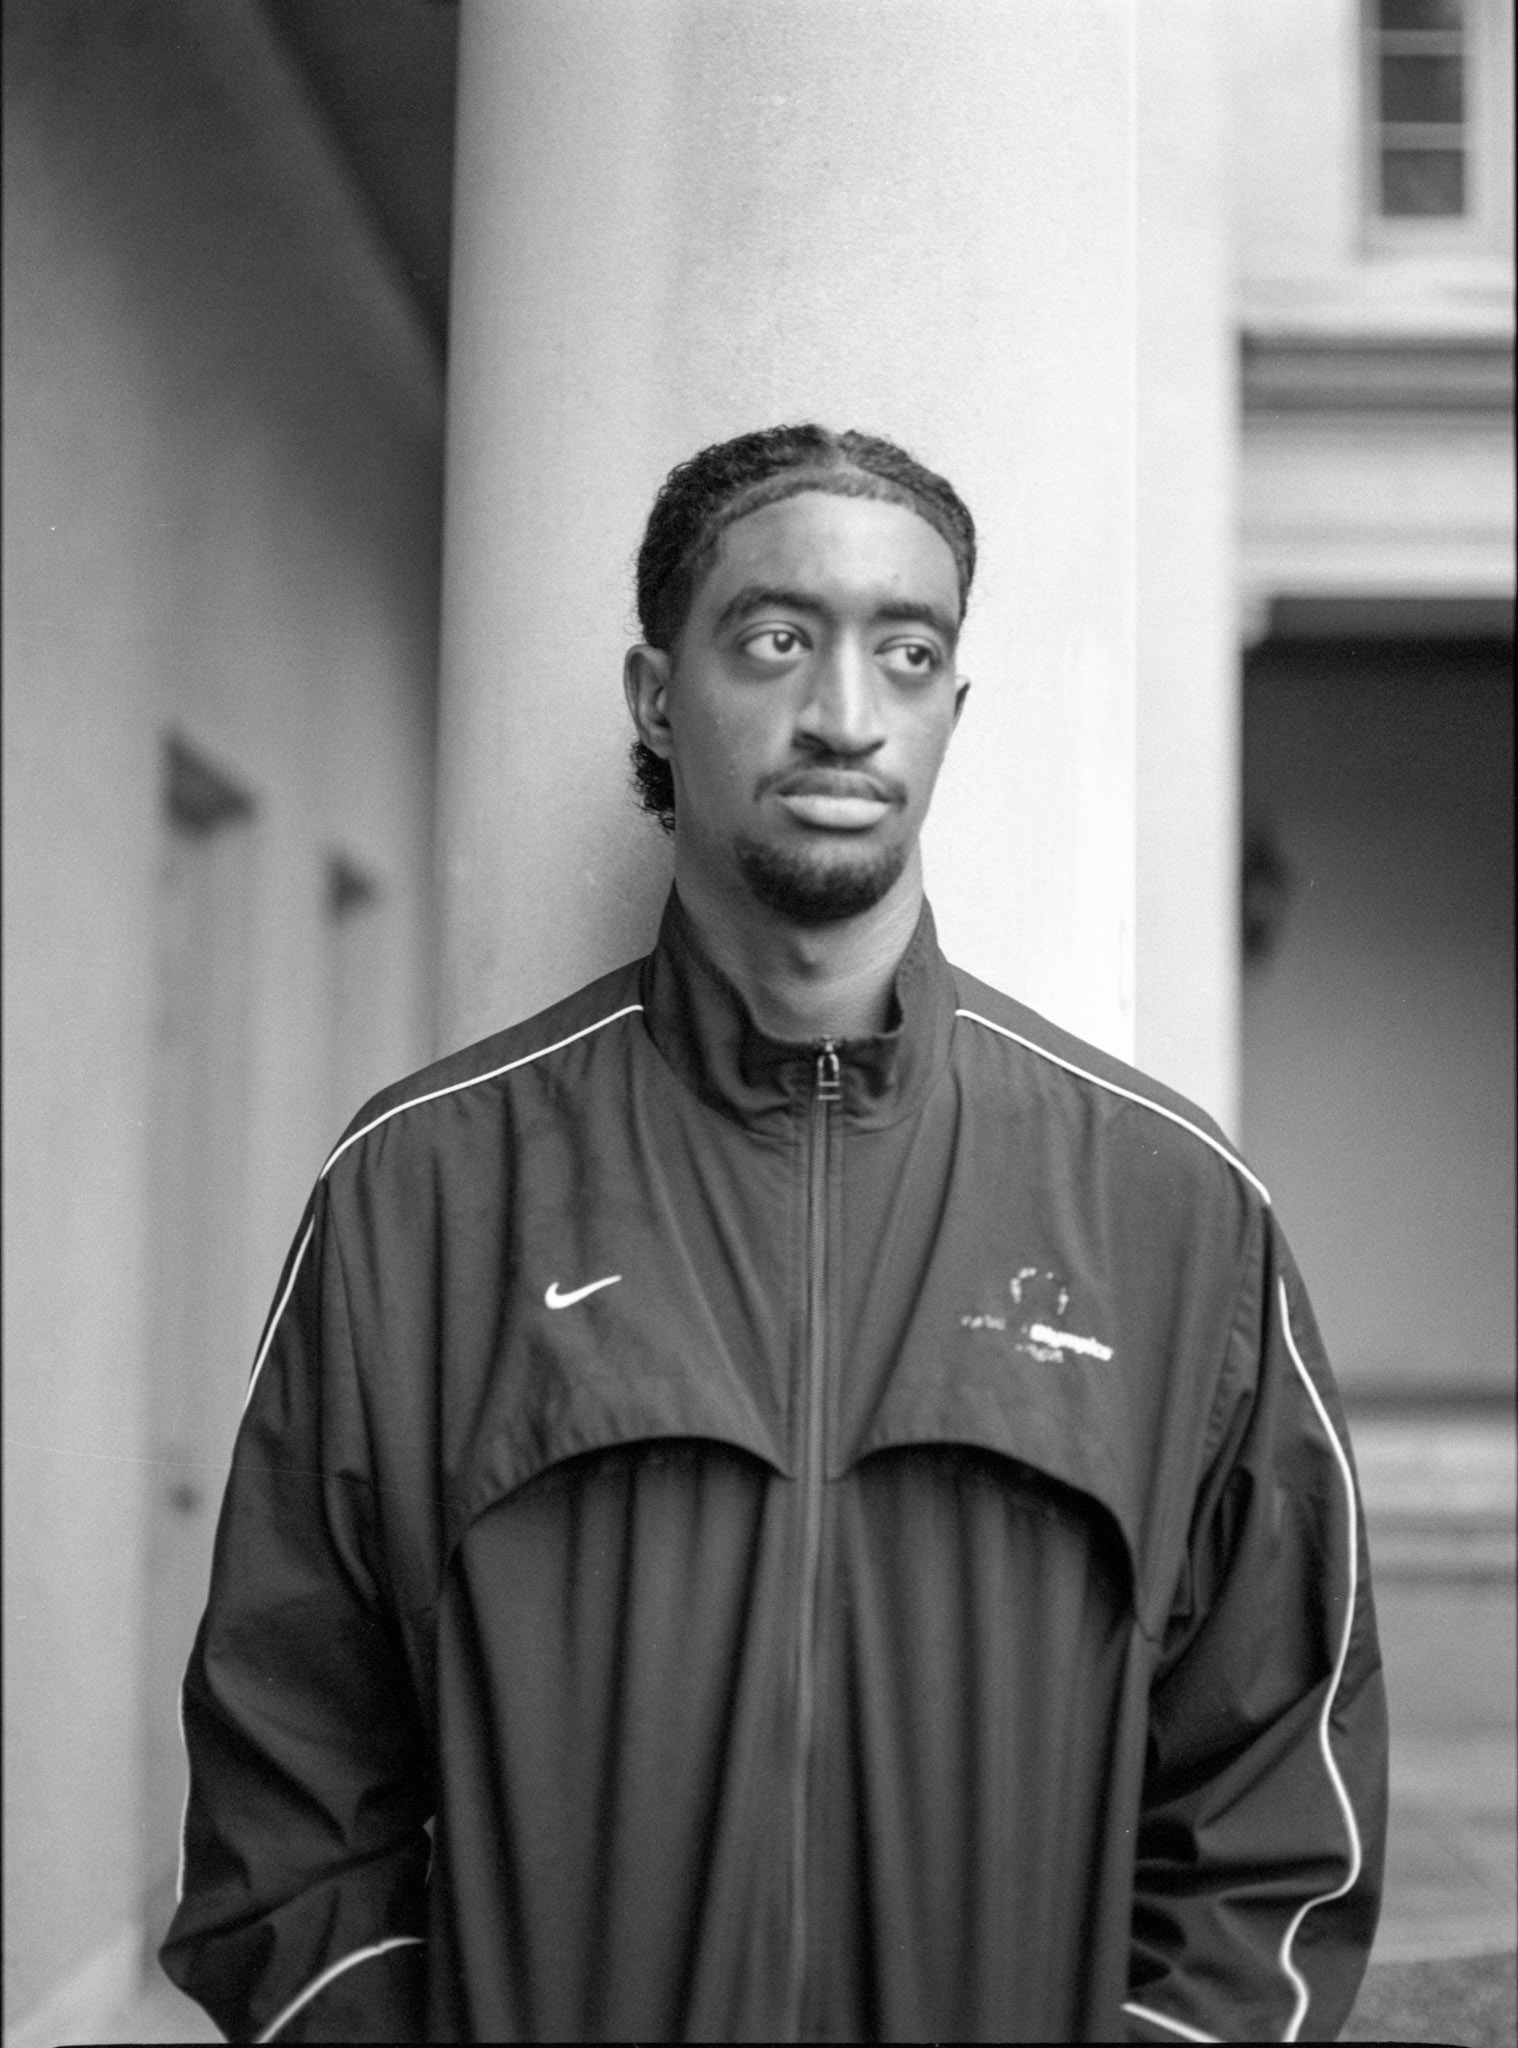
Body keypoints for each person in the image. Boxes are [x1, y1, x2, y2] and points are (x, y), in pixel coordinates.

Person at [162, 425, 1387, 2043]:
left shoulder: (1167, 1207)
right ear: (656, 696)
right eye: (775, 638)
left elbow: (1276, 1817)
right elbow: (287, 1796)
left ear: (952, 712)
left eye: (906, 651)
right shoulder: (426, 1189)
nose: (844, 712)